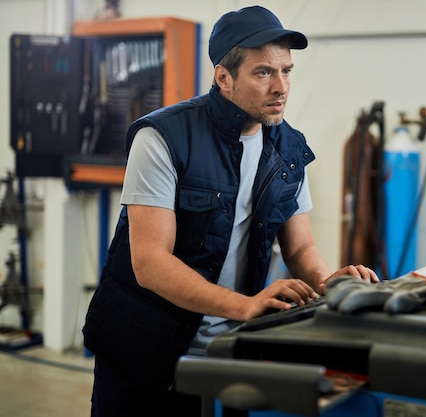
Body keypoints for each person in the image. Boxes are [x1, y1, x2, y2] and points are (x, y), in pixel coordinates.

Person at [82, 5, 378, 417]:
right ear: (223, 77)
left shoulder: (288, 148)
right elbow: (149, 262)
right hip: (145, 355)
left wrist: (328, 281)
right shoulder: (162, 138)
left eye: (287, 71)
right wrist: (247, 305)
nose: (281, 87)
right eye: (263, 73)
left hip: (230, 355)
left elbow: (301, 245)